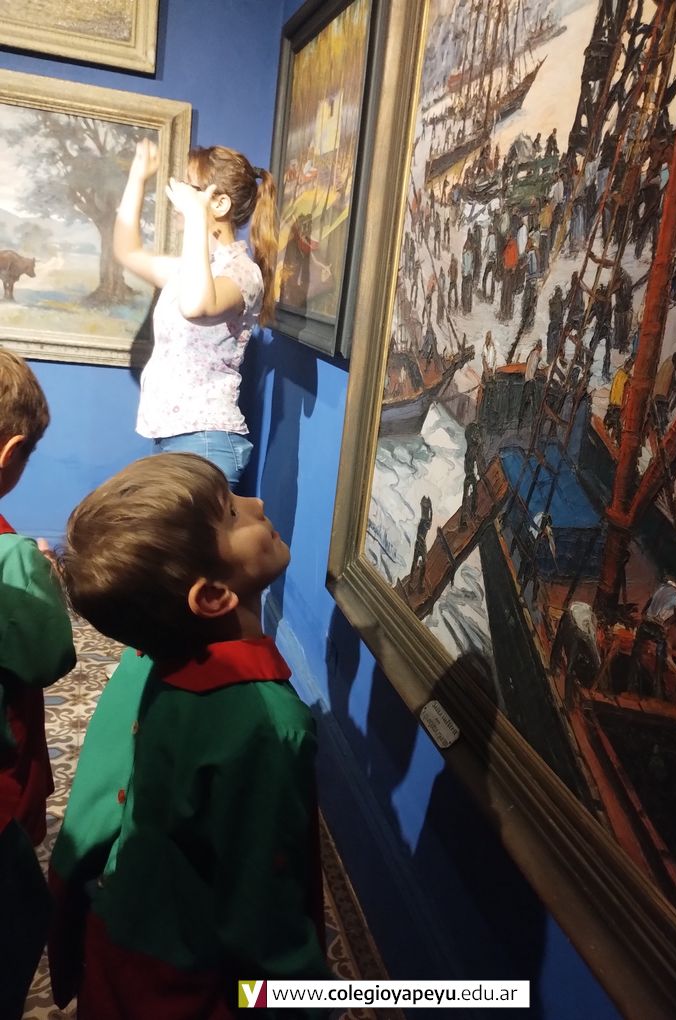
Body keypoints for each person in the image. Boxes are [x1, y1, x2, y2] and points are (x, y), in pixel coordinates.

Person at [48, 454, 328, 1018]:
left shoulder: (158, 663)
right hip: (189, 985)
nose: (258, 504)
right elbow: (263, 916)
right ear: (213, 596)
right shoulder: (268, 727)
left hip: (123, 947)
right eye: (231, 515)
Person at [113, 139, 278, 489]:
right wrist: (137, 178)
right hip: (177, 438)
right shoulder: (191, 269)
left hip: (205, 441)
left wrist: (194, 219)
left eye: (189, 187)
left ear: (220, 203)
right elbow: (127, 251)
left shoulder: (242, 272)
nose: (178, 197)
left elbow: (196, 306)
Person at [0, 350, 76, 1020]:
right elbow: (48, 657)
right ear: (11, 454)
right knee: (21, 911)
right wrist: (43, 579)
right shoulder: (13, 558)